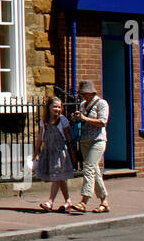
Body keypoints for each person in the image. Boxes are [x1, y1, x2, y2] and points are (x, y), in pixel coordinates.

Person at [32, 96, 78, 212]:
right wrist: (35, 153)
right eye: (55, 106)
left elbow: (68, 137)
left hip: (60, 152)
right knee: (60, 178)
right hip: (49, 152)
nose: (57, 109)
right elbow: (40, 139)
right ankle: (68, 201)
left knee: (57, 176)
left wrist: (72, 153)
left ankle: (50, 202)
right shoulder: (44, 121)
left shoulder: (63, 120)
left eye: (59, 107)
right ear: (49, 108)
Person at [71, 80, 111, 213]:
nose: (82, 96)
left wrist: (85, 118)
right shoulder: (83, 104)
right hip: (85, 141)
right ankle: (104, 201)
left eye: (84, 93)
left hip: (98, 141)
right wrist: (76, 118)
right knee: (95, 171)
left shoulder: (101, 103)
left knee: (88, 168)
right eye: (81, 93)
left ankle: (84, 201)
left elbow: (102, 122)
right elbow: (82, 120)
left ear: (90, 92)